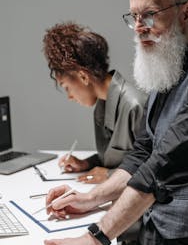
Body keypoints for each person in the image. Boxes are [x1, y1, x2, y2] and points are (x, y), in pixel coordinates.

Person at [26, 0, 188, 245]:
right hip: (151, 234)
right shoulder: (169, 67)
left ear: (187, 12)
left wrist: (96, 236)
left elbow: (165, 164)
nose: (139, 27)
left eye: (149, 14)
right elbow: (143, 152)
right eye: (134, 16)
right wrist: (90, 199)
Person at [42, 22, 147, 184]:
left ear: (83, 77)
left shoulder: (136, 106)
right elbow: (116, 160)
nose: (69, 96)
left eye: (67, 87)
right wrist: (87, 163)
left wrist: (109, 175)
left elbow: (154, 170)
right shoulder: (102, 105)